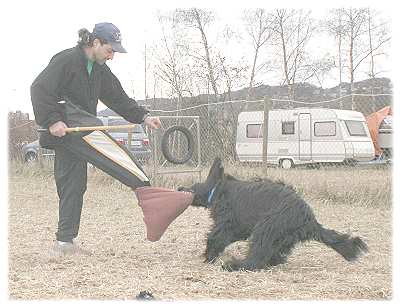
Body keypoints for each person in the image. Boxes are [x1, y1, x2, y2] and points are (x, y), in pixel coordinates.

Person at [31, 22, 161, 256]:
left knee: (74, 185)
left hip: (76, 133)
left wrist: (143, 116)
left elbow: (118, 98)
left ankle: (64, 243)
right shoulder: (66, 60)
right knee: (102, 148)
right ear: (95, 42)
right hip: (69, 128)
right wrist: (52, 121)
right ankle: (148, 191)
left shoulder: (100, 70)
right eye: (110, 50)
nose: (112, 56)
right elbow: (39, 88)